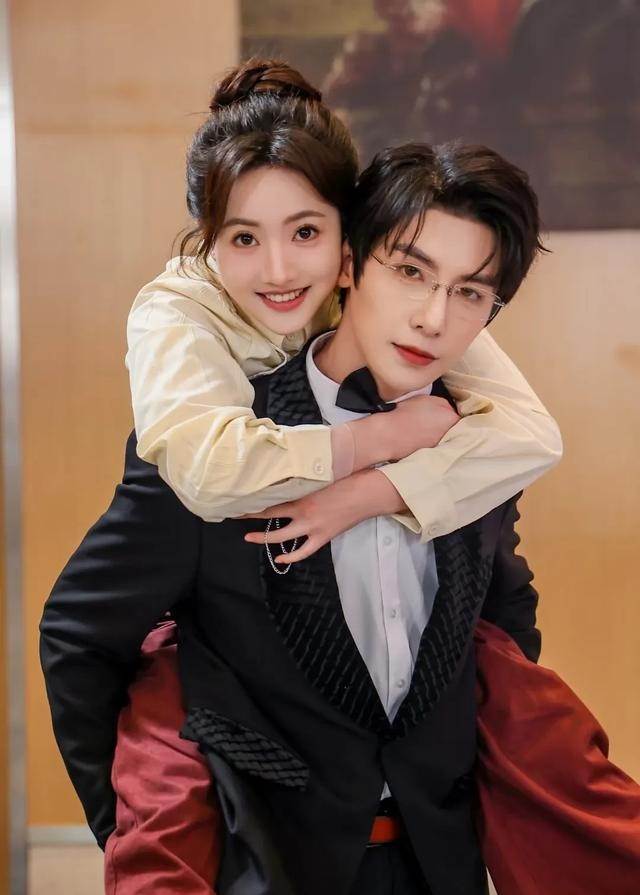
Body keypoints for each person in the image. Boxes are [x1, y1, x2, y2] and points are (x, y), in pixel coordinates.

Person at [42, 140, 551, 895]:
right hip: (265, 866)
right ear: (350, 265)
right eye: (410, 272)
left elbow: (503, 624)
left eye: (471, 292)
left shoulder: (480, 438)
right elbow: (80, 636)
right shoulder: (215, 447)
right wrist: (131, 827)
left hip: (439, 861)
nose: (434, 317)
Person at [126, 58, 562, 557]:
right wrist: (380, 436)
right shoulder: (177, 312)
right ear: (208, 239)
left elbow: (529, 434)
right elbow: (207, 474)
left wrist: (369, 495)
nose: (279, 272)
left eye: (305, 232)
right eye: (244, 238)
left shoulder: (394, 298)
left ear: (348, 236)